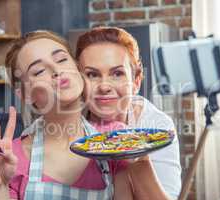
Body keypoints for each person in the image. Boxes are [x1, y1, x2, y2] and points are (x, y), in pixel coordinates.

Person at [0, 30, 142, 200]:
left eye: (62, 59)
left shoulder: (113, 139)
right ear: (26, 95)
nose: (56, 70)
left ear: (77, 68)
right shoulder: (10, 158)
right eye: (39, 71)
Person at [76, 26, 182, 199]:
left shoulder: (156, 126)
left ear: (136, 82)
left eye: (117, 73)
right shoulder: (68, 122)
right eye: (92, 75)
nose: (104, 86)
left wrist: (136, 154)